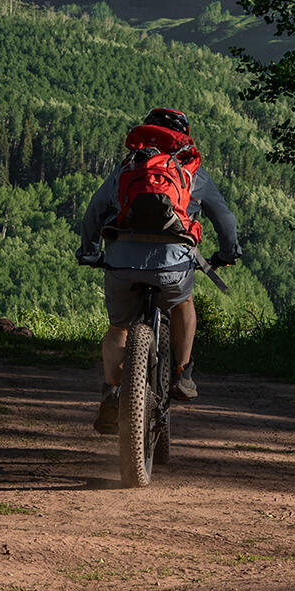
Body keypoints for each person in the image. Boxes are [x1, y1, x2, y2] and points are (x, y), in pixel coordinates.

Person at [76, 106, 243, 434]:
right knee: (183, 303)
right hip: (173, 265)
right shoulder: (193, 171)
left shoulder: (127, 168)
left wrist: (90, 252)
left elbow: (93, 214)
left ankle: (111, 391)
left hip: (122, 261)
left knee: (118, 328)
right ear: (182, 137)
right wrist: (227, 254)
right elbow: (226, 221)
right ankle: (182, 373)